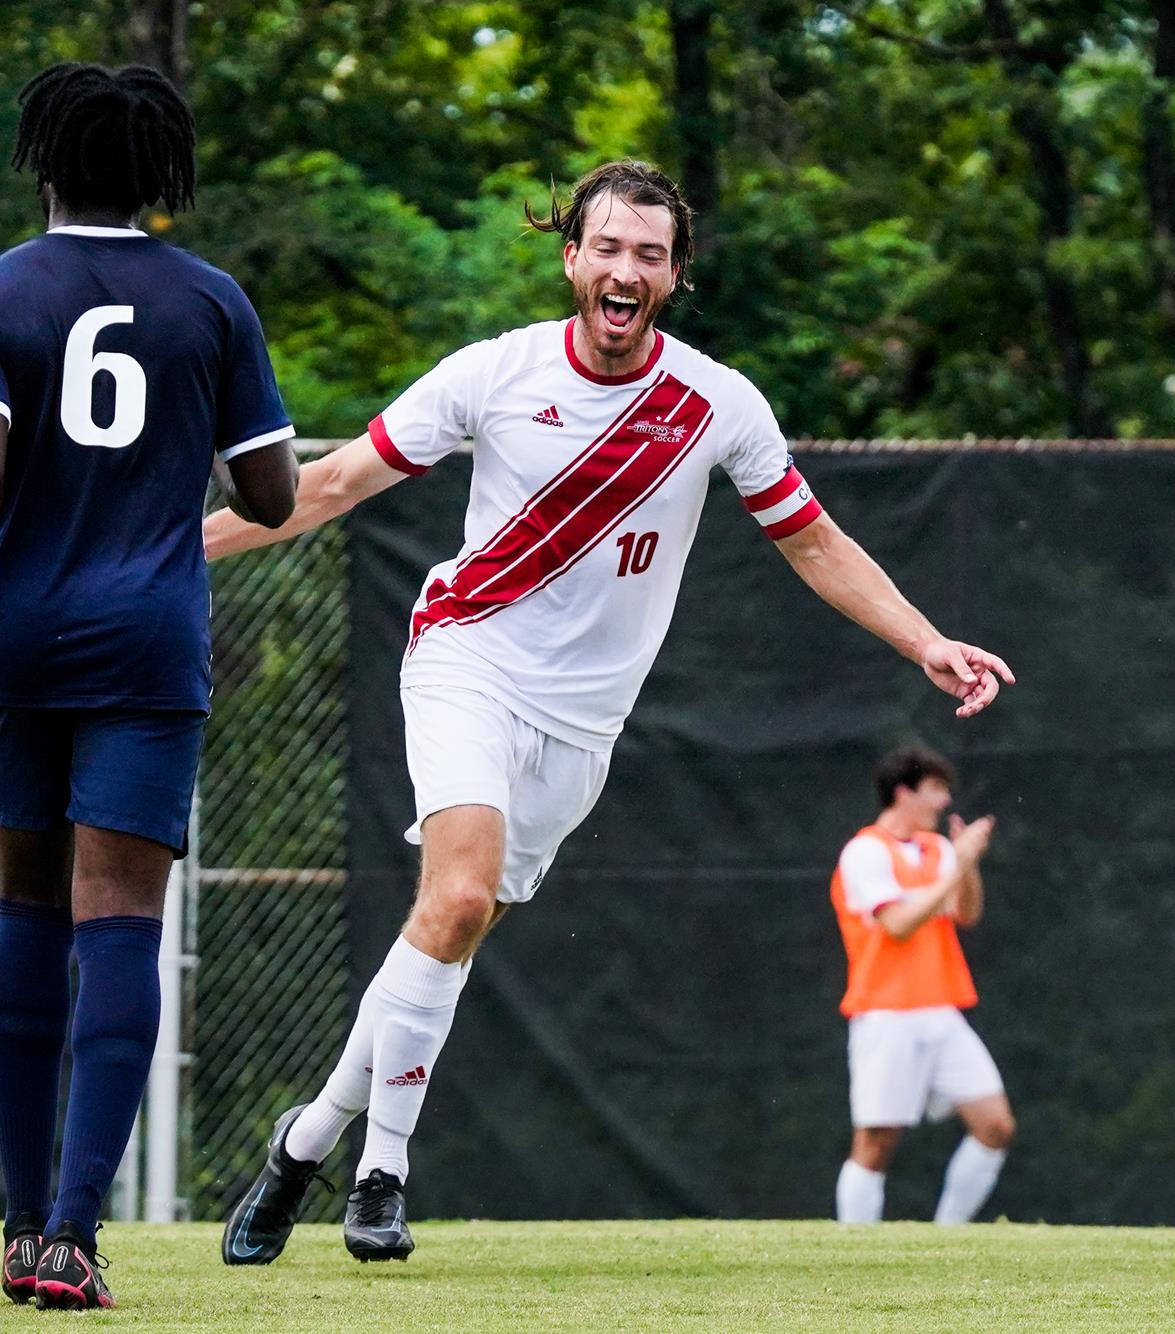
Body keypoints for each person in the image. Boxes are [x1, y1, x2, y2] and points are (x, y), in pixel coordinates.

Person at [208, 160, 1013, 1265]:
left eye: (650, 253)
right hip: (466, 658)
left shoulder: (717, 403)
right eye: (608, 248)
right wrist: (165, 552)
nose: (625, 269)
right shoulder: (495, 372)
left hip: (582, 731)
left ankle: (304, 1139)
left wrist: (926, 639)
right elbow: (333, 483)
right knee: (452, 893)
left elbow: (815, 540)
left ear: (674, 275)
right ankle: (382, 1170)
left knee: (447, 932)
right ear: (571, 259)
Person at [0, 62, 298, 1311]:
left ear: (49, 163)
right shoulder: (211, 298)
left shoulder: (6, 285)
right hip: (144, 645)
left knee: (21, 913)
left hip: (15, 636)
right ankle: (75, 1233)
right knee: (118, 916)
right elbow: (273, 494)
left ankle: (17, 1227)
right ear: (161, 176)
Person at [831, 746, 1015, 1224]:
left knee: (995, 1126)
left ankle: (946, 1235)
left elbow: (967, 913)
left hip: (940, 1008)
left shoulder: (937, 851)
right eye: (935, 789)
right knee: (875, 1143)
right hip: (886, 1013)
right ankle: (855, 1251)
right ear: (903, 792)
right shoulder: (866, 851)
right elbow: (897, 924)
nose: (944, 800)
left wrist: (966, 864)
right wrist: (956, 867)